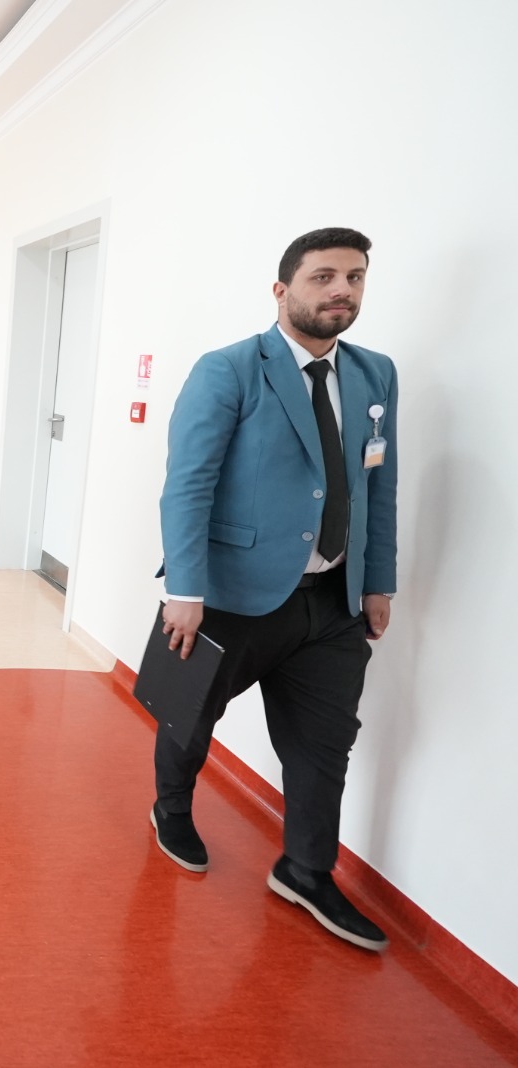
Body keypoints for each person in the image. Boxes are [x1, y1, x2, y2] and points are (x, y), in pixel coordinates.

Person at [153, 227, 398, 952]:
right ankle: (171, 809)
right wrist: (185, 587)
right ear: (282, 289)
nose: (342, 290)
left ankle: (306, 870)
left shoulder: (376, 373)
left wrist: (377, 581)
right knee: (187, 715)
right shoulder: (228, 369)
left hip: (333, 601)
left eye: (355, 276)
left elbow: (378, 485)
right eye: (324, 276)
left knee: (325, 746)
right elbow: (187, 486)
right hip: (229, 594)